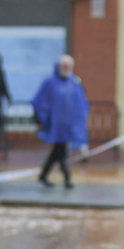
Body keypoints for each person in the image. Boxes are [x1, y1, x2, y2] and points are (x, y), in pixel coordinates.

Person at [32, 54, 89, 189]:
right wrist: (40, 120)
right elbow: (39, 101)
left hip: (68, 125)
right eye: (64, 65)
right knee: (61, 151)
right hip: (56, 125)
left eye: (69, 66)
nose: (66, 68)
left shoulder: (74, 82)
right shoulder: (50, 82)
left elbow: (80, 101)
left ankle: (44, 175)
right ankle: (67, 178)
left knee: (58, 151)